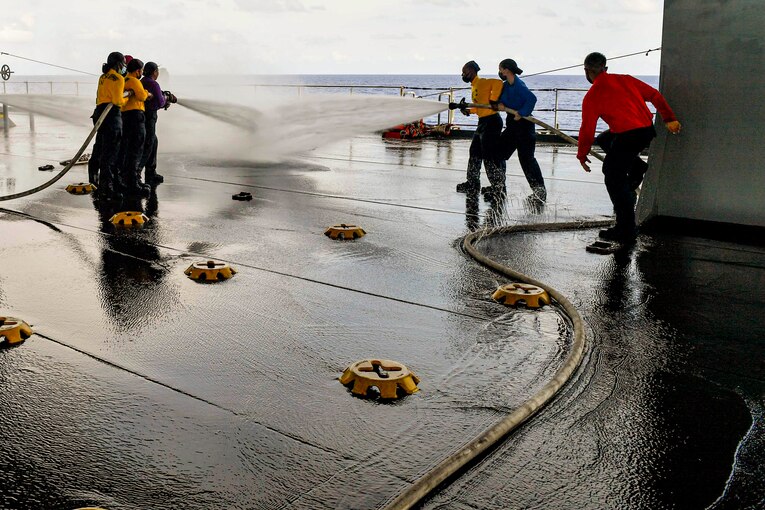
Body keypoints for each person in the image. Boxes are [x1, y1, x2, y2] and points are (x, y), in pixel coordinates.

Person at [577, 52, 681, 243]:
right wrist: (669, 118)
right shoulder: (626, 80)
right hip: (646, 131)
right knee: (604, 139)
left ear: (586, 71)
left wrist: (582, 154)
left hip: (629, 137)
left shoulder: (592, 96)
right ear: (605, 69)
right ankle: (637, 167)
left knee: (612, 175)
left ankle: (626, 229)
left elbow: (586, 129)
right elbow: (655, 96)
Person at [450, 61, 505, 197]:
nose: (463, 75)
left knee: (489, 155)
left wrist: (493, 100)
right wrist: (468, 111)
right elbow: (480, 106)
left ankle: (498, 188)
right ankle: (472, 183)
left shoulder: (482, 82)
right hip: (483, 122)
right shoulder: (474, 86)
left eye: (464, 72)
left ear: (472, 71)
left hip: (492, 122)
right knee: (474, 152)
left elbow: (498, 83)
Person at [496, 58, 547, 202]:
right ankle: (499, 186)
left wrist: (522, 112)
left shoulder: (519, 85)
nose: (499, 72)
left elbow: (532, 99)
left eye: (500, 69)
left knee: (527, 160)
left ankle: (539, 192)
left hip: (524, 125)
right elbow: (499, 99)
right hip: (512, 125)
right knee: (498, 152)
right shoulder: (505, 86)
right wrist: (499, 103)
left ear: (506, 70)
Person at [89, 51, 129, 198]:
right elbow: (118, 101)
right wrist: (128, 96)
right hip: (112, 116)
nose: (125, 66)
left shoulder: (102, 77)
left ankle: (96, 178)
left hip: (99, 113)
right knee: (112, 152)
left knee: (101, 147)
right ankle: (108, 186)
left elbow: (100, 97)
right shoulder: (118, 78)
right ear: (118, 64)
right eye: (124, 63)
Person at [139, 62, 176, 187]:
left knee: (153, 142)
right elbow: (160, 102)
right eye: (157, 71)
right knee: (148, 144)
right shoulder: (153, 83)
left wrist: (164, 96)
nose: (158, 73)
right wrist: (166, 99)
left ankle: (150, 172)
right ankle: (136, 174)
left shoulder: (143, 81)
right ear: (154, 72)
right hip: (149, 117)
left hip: (142, 116)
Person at [119, 58, 151, 196]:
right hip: (136, 117)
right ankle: (133, 183)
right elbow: (142, 96)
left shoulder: (124, 80)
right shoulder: (134, 81)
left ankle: (126, 179)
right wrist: (148, 93)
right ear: (138, 70)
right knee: (136, 150)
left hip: (125, 117)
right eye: (141, 70)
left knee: (127, 150)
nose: (142, 73)